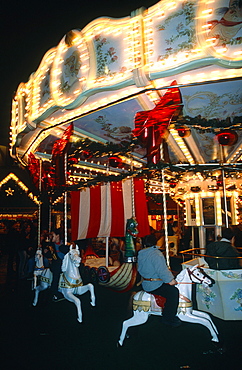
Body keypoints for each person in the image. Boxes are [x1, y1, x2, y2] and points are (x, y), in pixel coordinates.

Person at [138, 234, 181, 327]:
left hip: (146, 282)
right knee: (173, 292)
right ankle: (168, 317)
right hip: (154, 284)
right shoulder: (155, 253)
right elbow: (162, 270)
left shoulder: (141, 253)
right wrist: (171, 280)